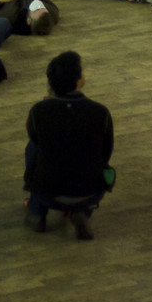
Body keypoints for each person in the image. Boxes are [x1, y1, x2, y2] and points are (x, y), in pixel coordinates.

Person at [24, 51, 114, 240]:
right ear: (77, 79)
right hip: (89, 191)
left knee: (33, 148)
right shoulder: (100, 112)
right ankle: (82, 211)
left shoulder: (38, 111)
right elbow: (106, 153)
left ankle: (37, 213)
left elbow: (35, 139)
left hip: (48, 191)